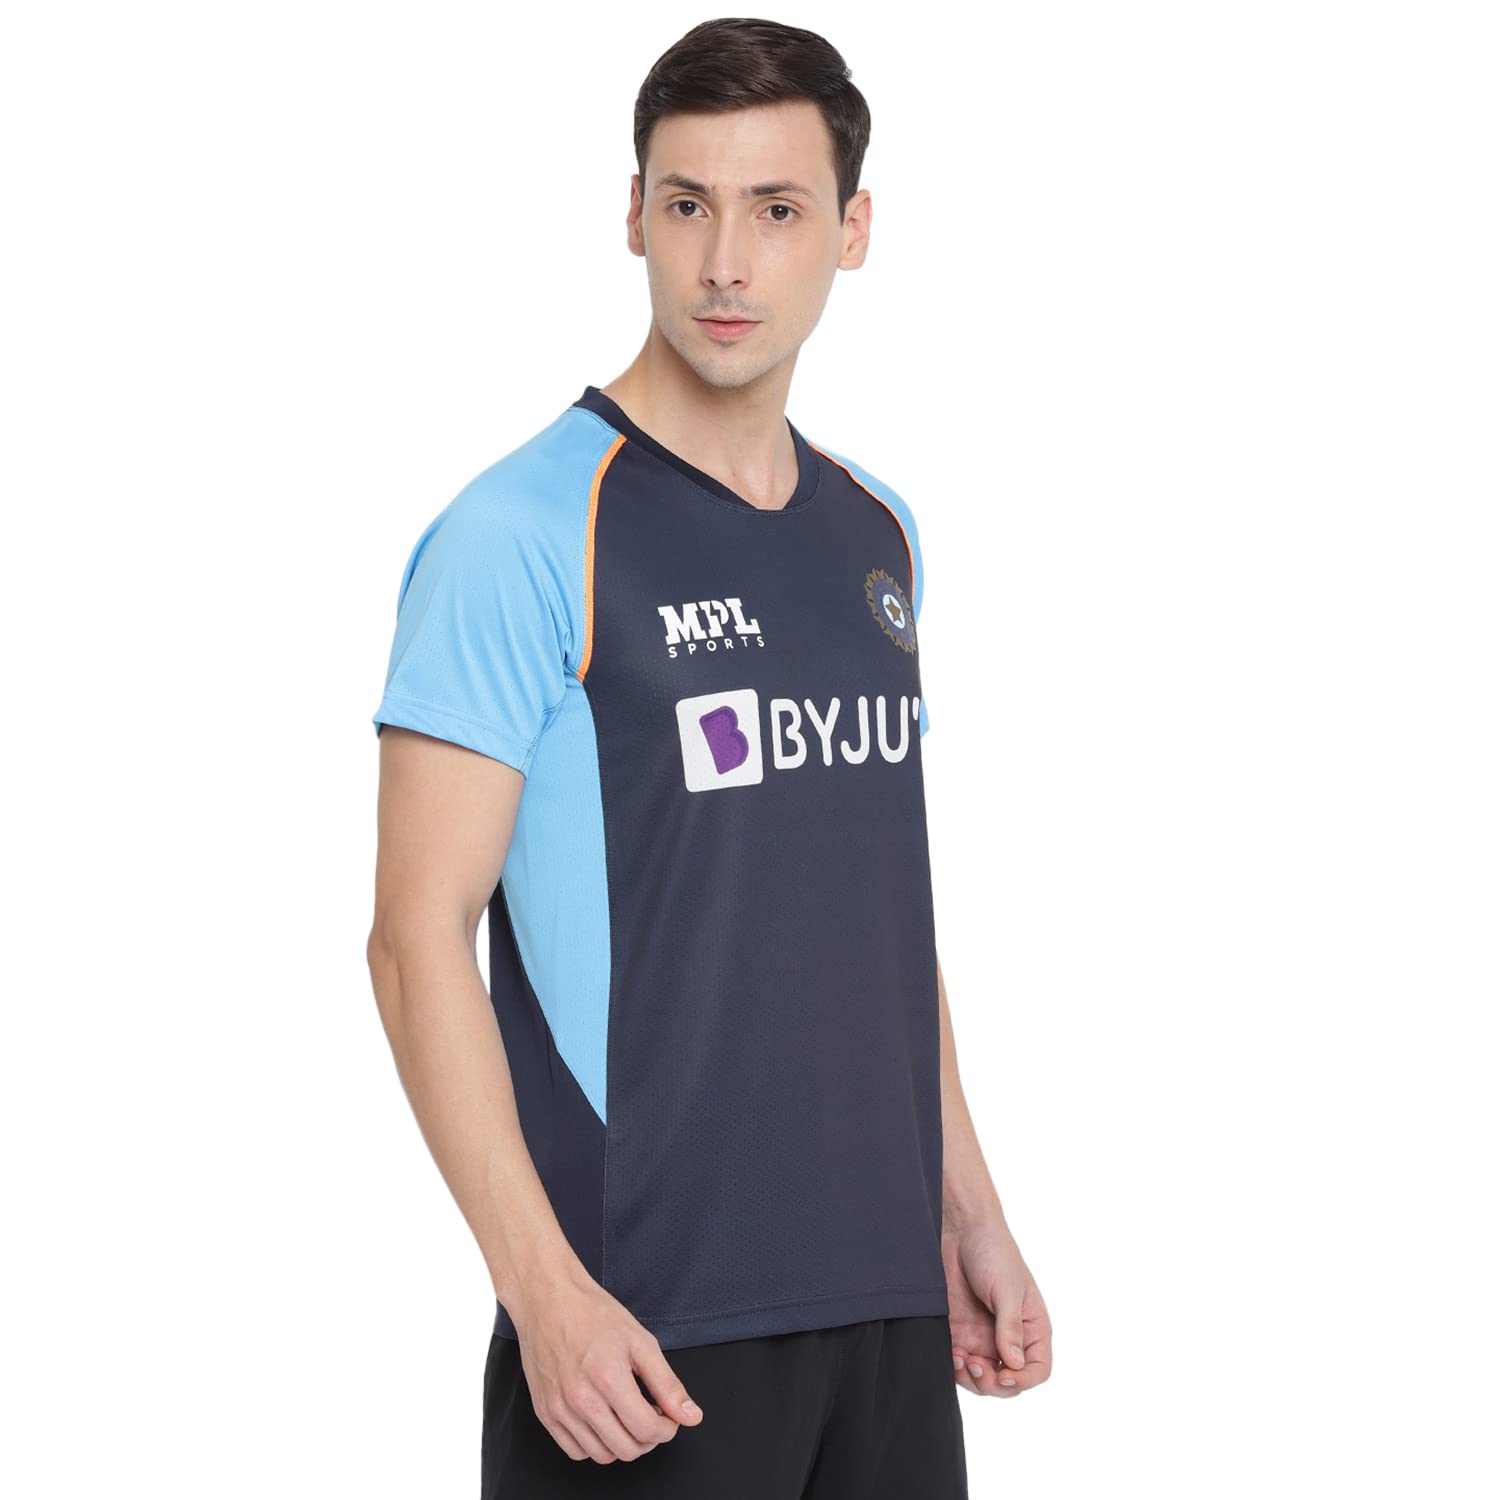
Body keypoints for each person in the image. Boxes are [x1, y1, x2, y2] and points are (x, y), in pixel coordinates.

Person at [366, 17, 1051, 1496]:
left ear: (853, 232)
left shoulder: (878, 532)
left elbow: (871, 909)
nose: (726, 262)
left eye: (777, 210)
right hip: (642, 1333)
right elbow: (414, 942)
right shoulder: (522, 533)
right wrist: (542, 1292)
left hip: (883, 1301)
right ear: (634, 215)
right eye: (688, 205)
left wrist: (966, 1209)